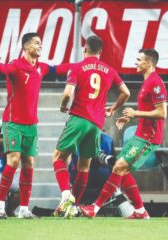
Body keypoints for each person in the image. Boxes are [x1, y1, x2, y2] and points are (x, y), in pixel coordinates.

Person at [79, 48, 167, 219]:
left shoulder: (156, 82)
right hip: (140, 135)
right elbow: (148, 110)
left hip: (148, 138)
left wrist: (135, 113)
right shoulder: (147, 82)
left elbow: (162, 112)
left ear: (148, 63)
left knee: (119, 167)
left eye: (139, 59)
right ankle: (141, 211)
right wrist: (129, 118)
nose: (136, 62)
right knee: (121, 168)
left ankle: (94, 208)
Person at [52, 35, 130, 217]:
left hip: (79, 118)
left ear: (84, 49)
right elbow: (125, 92)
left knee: (57, 158)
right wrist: (113, 108)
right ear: (100, 52)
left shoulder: (77, 67)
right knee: (83, 167)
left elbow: (67, 93)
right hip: (96, 124)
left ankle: (66, 196)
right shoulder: (109, 70)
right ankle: (74, 208)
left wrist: (64, 106)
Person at [0, 32, 51, 219]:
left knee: (29, 163)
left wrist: (82, 66)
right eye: (36, 43)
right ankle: (0, 205)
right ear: (26, 47)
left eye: (41, 43)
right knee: (14, 160)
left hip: (31, 125)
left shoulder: (41, 68)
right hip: (13, 122)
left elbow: (61, 68)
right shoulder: (16, 65)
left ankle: (24, 209)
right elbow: (5, 69)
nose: (40, 46)